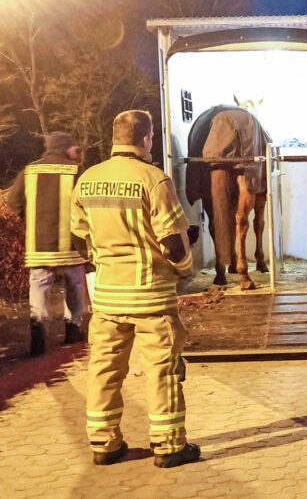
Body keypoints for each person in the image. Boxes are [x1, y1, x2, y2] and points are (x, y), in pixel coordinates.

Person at [70, 110, 200, 467]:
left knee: (104, 369)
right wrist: (184, 269)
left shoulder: (87, 180)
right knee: (163, 371)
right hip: (152, 300)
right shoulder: (153, 180)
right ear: (146, 138)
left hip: (109, 299)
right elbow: (173, 244)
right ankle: (170, 446)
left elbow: (81, 238)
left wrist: (106, 264)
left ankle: (104, 444)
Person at [6, 131, 87, 355]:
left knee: (39, 289)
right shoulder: (76, 171)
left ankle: (38, 335)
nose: (76, 151)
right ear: (64, 148)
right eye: (73, 147)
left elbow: (13, 202)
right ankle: (73, 330)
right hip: (70, 247)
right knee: (75, 287)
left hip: (39, 245)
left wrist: (29, 219)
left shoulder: (29, 171)